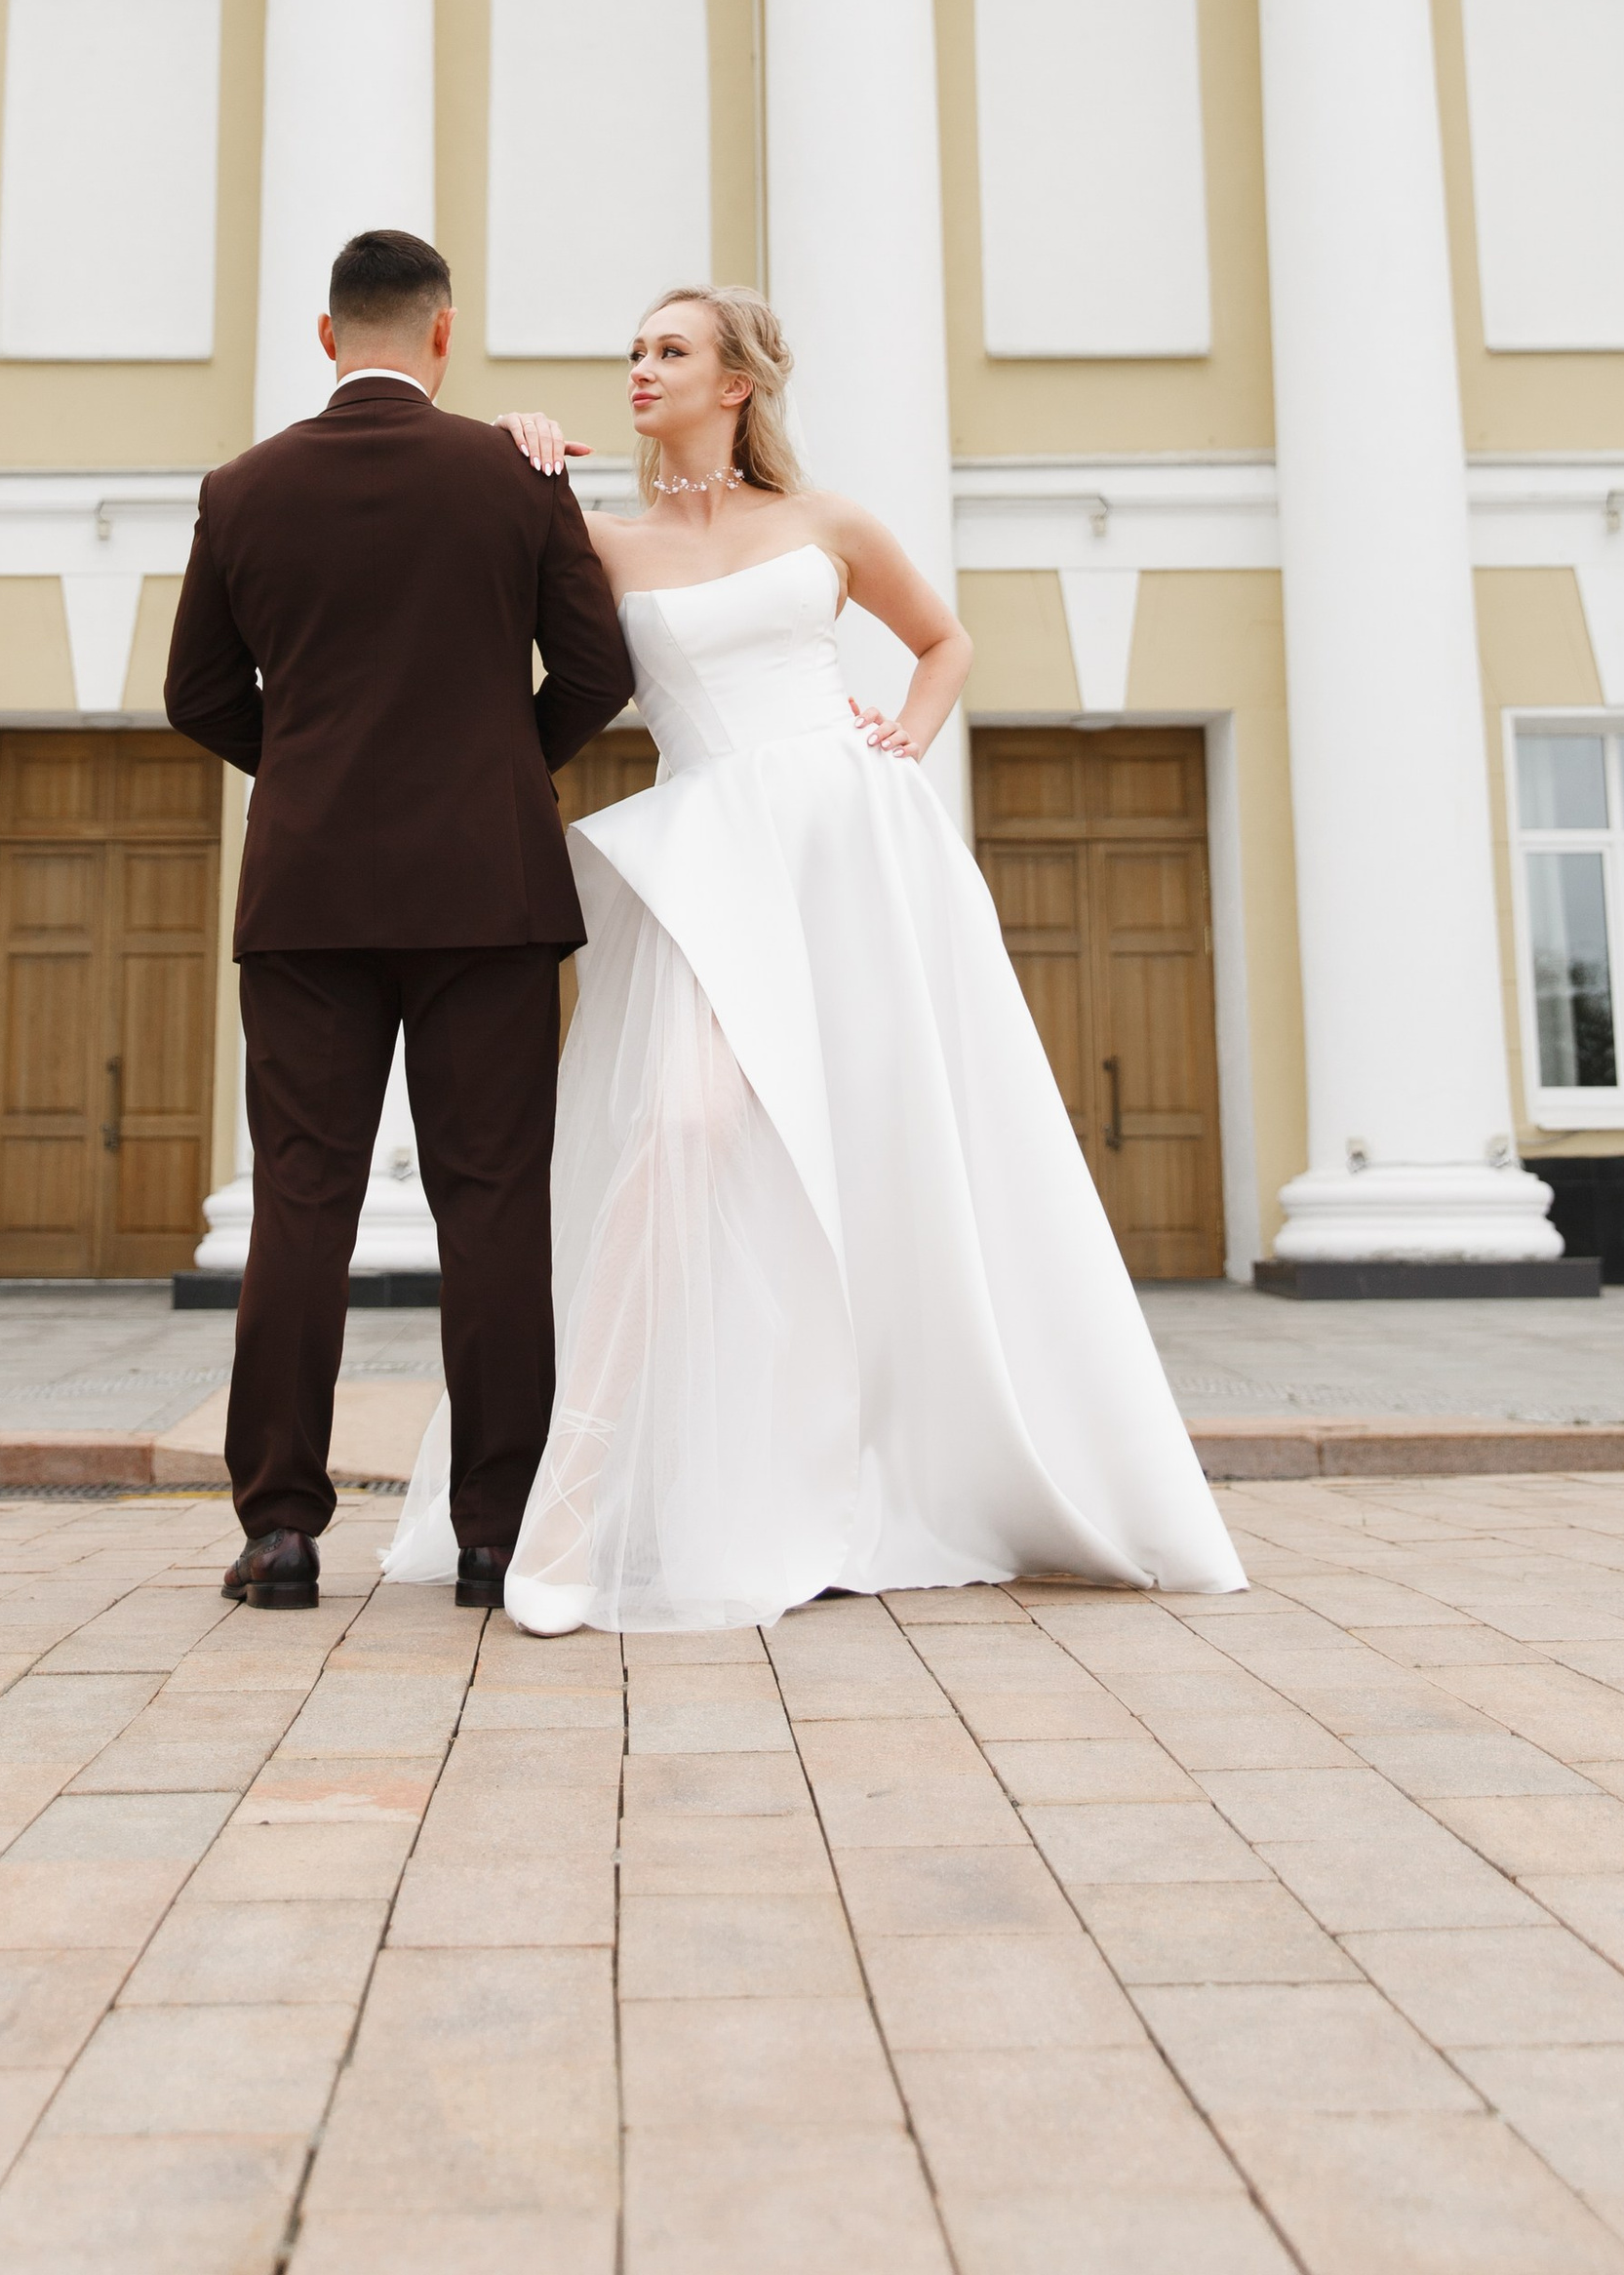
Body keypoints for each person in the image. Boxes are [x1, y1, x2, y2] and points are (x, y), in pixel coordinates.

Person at [386, 282, 1246, 1629]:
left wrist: (903, 728)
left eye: (669, 350)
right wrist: (521, 441)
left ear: (736, 381)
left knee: (882, 1146)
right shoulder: (596, 536)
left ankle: (875, 1466)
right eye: (632, 351)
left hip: (852, 846)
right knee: (675, 1132)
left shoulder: (829, 521)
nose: (640, 368)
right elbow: (524, 599)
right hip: (712, 854)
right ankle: (579, 1493)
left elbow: (945, 639)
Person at [165, 228, 635, 1611]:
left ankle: (281, 1529)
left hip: (309, 896)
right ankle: (496, 1528)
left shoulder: (241, 489)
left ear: (326, 337)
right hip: (487, 891)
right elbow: (596, 669)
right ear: (444, 334)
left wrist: (312, 769)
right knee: (492, 1206)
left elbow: (198, 695)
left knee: (301, 1202)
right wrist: (497, 767)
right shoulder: (514, 474)